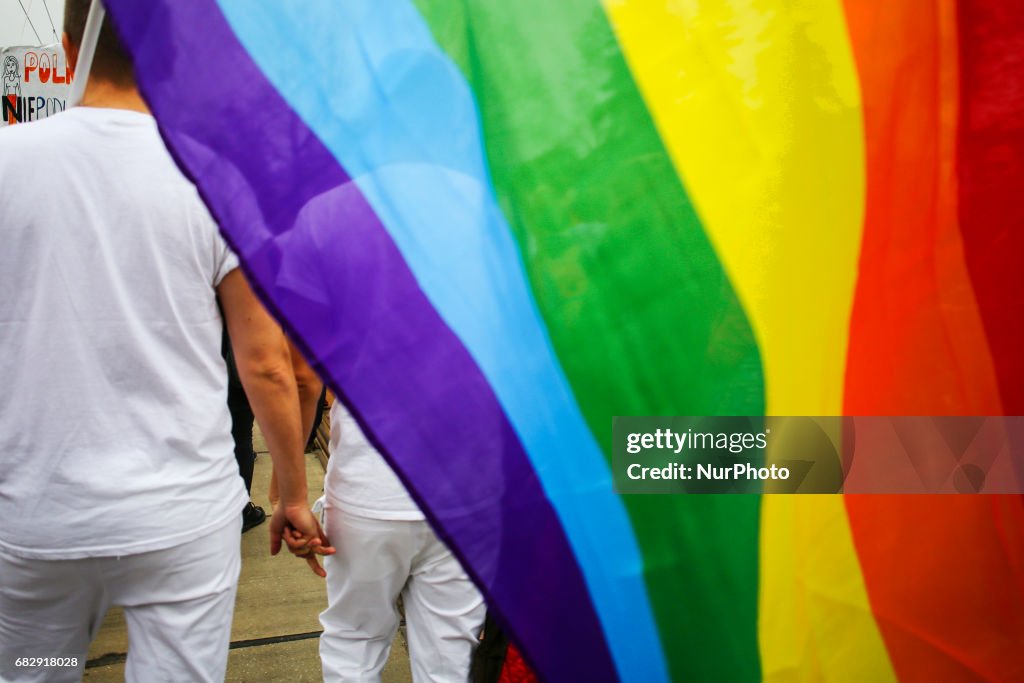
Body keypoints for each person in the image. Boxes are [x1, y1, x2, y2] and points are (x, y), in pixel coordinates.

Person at [0, 4, 331, 682]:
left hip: (35, 514)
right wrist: (292, 489)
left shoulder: (8, 161)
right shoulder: (215, 179)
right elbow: (265, 362)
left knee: (36, 667)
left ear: (67, 47)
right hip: (179, 517)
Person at [312, 401, 486, 682]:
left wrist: (290, 494)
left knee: (354, 639)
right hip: (463, 494)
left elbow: (298, 380)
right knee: (449, 653)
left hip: (367, 488)